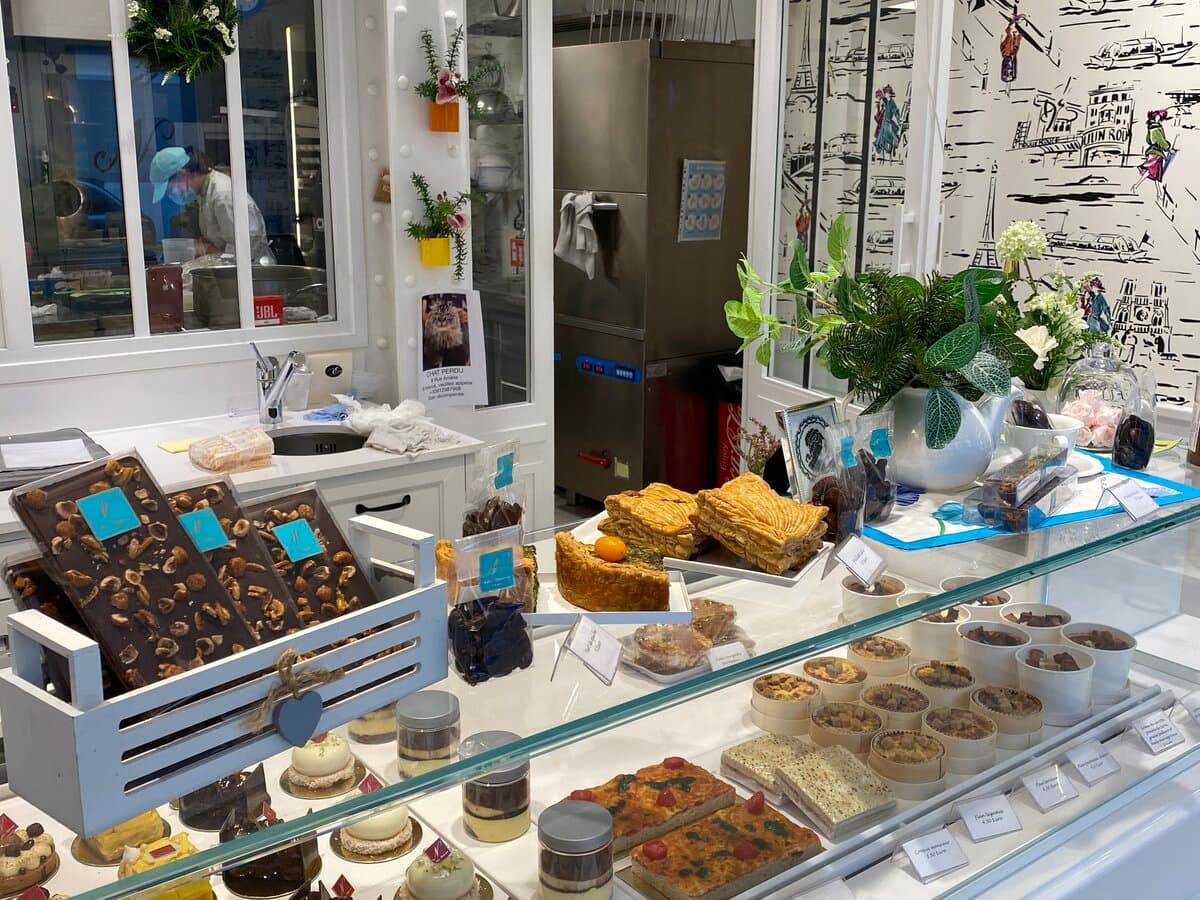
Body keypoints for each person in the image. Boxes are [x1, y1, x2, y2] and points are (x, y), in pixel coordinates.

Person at [149, 146, 275, 263]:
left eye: (170, 190)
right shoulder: (204, 193)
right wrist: (204, 244)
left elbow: (244, 254)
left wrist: (206, 249)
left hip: (252, 274)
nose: (172, 195)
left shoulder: (223, 195)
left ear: (182, 174)